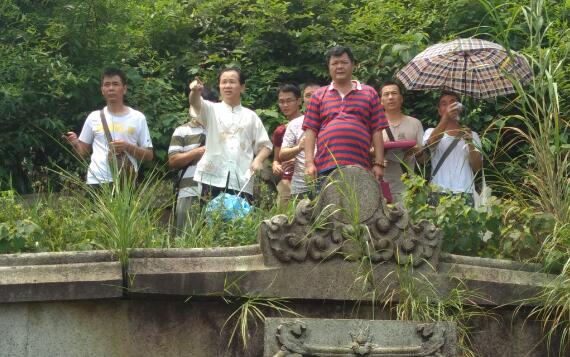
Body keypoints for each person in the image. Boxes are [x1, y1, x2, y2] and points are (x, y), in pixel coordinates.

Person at [303, 46, 388, 184]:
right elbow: (310, 130)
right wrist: (309, 163)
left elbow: (377, 129)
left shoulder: (369, 93)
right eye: (335, 63)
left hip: (361, 166)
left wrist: (378, 163)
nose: (339, 66)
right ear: (329, 67)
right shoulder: (319, 95)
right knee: (330, 205)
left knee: (360, 205)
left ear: (353, 65)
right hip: (326, 166)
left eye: (344, 62)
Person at [188, 68, 272, 203]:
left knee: (239, 222)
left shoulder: (251, 116)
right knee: (209, 220)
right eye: (223, 82)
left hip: (241, 179)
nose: (227, 85)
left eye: (232, 82)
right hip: (212, 176)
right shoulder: (211, 109)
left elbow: (266, 145)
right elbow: (195, 103)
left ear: (242, 87)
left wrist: (258, 160)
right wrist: (195, 91)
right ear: (219, 86)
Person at [64, 67, 153, 186]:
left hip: (126, 182)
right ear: (102, 90)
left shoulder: (138, 117)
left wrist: (127, 147)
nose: (111, 88)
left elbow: (149, 155)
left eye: (115, 84)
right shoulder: (93, 117)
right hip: (96, 182)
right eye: (107, 85)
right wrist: (75, 143)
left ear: (124, 89)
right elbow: (82, 153)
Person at [168, 87, 219, 232]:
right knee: (185, 237)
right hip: (188, 191)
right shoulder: (181, 130)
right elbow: (172, 161)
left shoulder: (222, 130)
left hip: (218, 191)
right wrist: (198, 151)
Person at [423, 91, 483, 206]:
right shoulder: (430, 132)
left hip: (465, 192)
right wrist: (446, 117)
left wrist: (470, 142)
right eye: (444, 104)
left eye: (452, 102)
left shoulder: (472, 135)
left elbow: (477, 168)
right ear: (439, 110)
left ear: (459, 108)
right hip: (438, 191)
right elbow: (431, 144)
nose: (449, 106)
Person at [379, 82, 425, 202]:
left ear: (401, 99)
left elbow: (424, 161)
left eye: (394, 93)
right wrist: (376, 154)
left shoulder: (415, 124)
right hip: (380, 187)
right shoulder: (374, 125)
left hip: (408, 188)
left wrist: (418, 152)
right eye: (386, 94)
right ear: (381, 101)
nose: (390, 97)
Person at [280, 83, 320, 198]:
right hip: (300, 187)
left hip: (327, 183)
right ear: (302, 100)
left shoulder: (332, 121)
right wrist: (299, 148)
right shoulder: (294, 124)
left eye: (316, 94)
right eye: (308, 95)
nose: (312, 98)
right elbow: (282, 155)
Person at [271, 84, 301, 206]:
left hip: (308, 179)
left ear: (299, 101)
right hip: (287, 182)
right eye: (281, 102)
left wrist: (297, 160)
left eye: (289, 101)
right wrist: (275, 165)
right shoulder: (280, 131)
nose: (285, 105)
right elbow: (276, 159)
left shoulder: (309, 125)